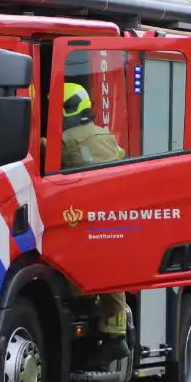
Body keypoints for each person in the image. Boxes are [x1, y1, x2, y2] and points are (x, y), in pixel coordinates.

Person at [60, 82, 130, 366]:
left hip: (79, 217)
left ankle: (90, 309)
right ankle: (116, 333)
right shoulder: (107, 135)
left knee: (72, 268)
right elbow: (121, 158)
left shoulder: (66, 140)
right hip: (111, 215)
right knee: (111, 272)